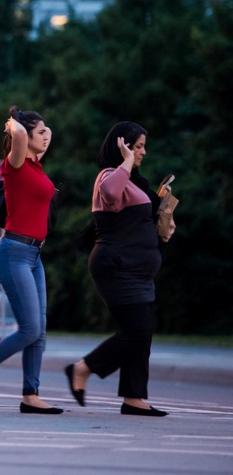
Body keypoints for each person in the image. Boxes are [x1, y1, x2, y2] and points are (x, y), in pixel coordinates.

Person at [64, 122, 173, 417]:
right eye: (137, 146)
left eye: (142, 147)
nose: (142, 152)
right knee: (137, 331)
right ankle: (82, 368)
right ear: (121, 146)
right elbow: (111, 194)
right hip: (116, 267)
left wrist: (164, 218)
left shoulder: (136, 182)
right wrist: (125, 160)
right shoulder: (109, 176)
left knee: (142, 333)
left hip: (139, 271)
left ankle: (134, 398)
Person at [0, 106, 62, 414]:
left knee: (39, 329)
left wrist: (40, 129)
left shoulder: (36, 166)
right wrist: (13, 121)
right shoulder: (14, 164)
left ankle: (31, 394)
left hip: (33, 255)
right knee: (30, 328)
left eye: (47, 132)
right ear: (24, 136)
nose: (47, 137)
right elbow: (18, 134)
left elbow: (39, 136)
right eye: (40, 132)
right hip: (12, 252)